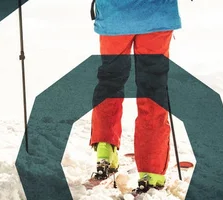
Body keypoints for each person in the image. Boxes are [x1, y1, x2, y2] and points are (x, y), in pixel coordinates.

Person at [88, 0, 182, 192]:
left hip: (115, 17)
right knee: (153, 89)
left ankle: (105, 150)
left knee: (110, 81)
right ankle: (152, 171)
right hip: (156, 15)